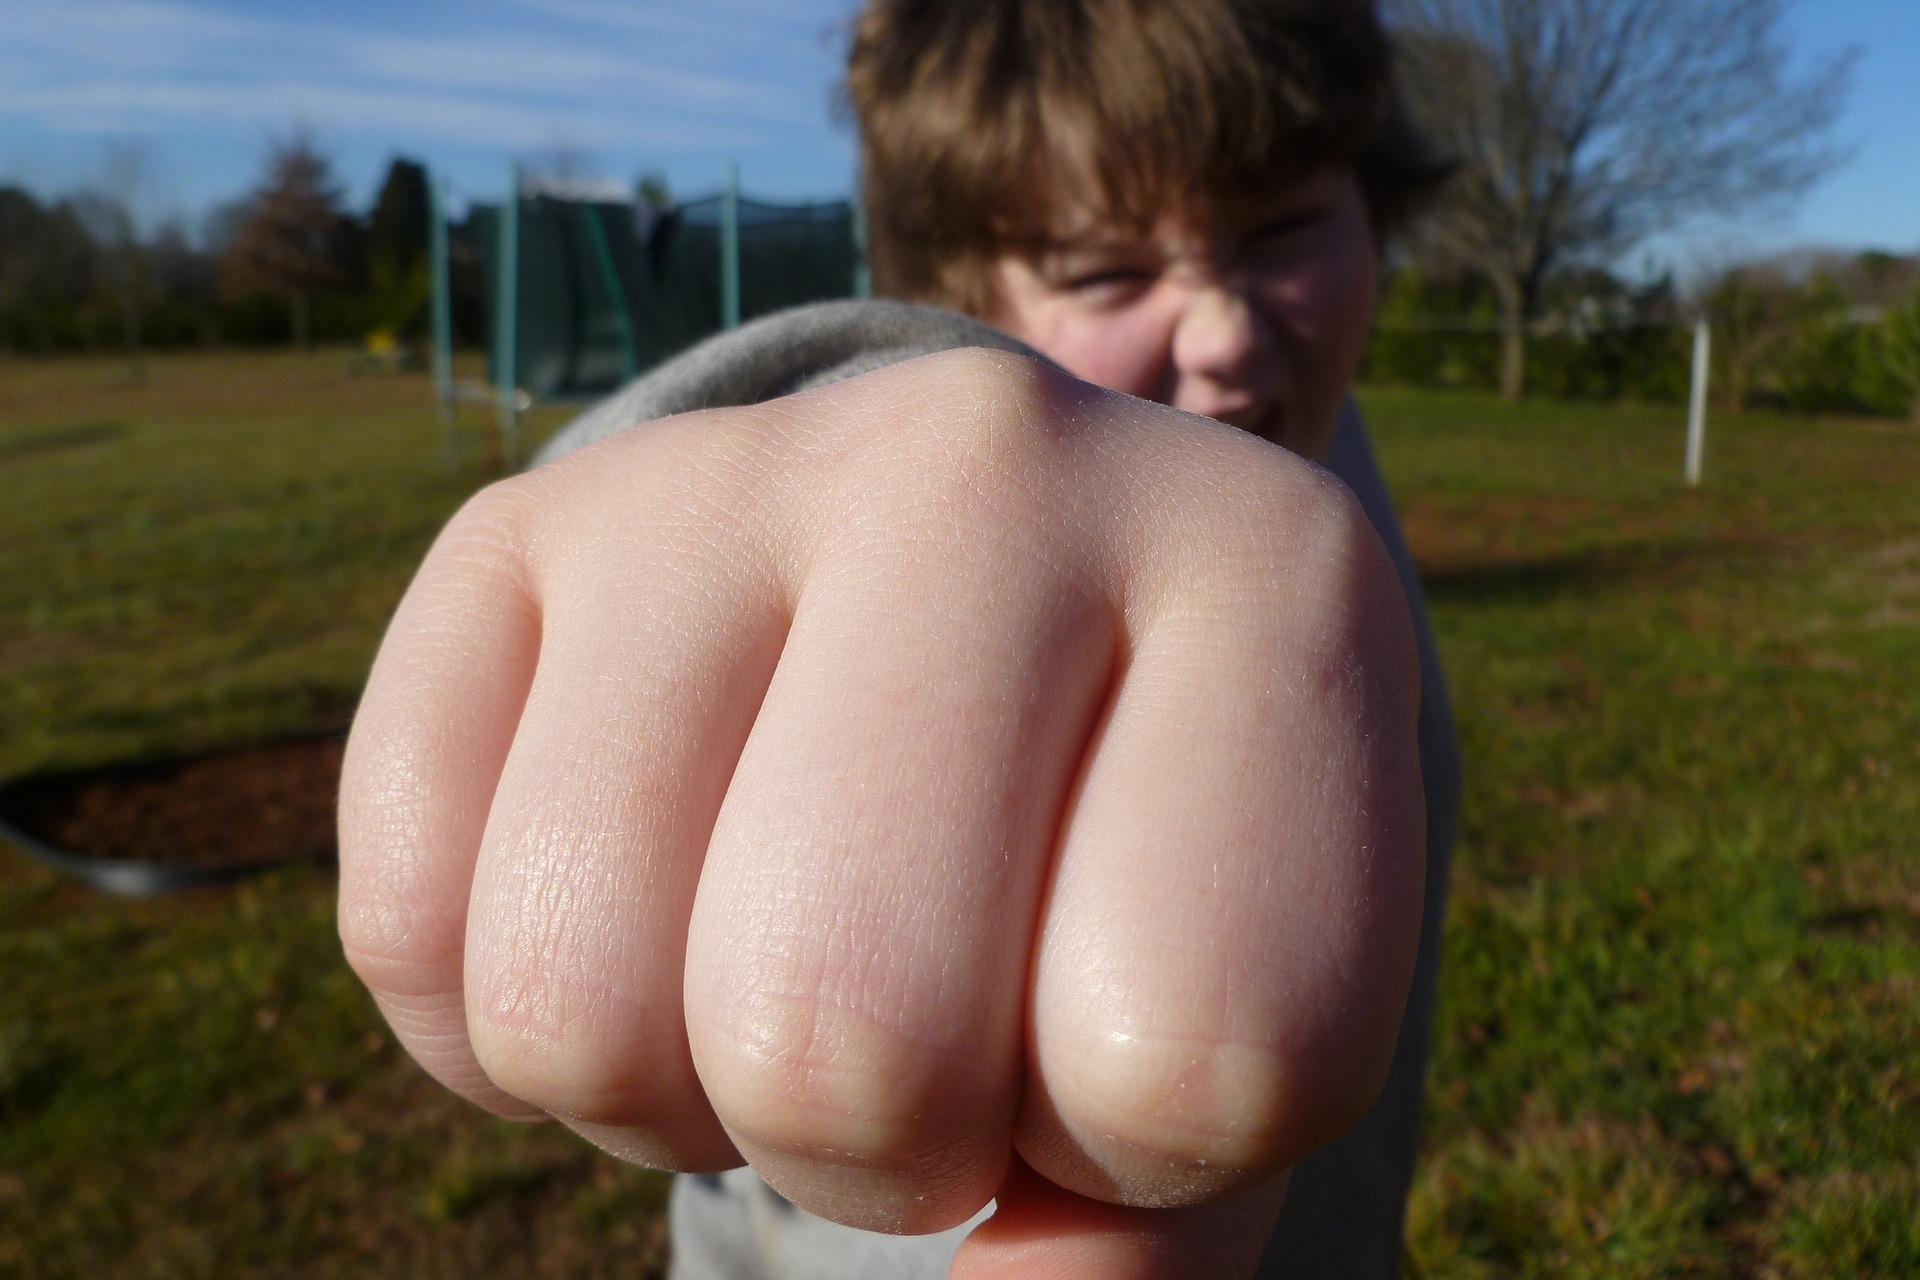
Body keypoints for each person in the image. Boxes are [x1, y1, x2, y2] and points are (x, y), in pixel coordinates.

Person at [337, 1, 1458, 1277]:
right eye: (1104, 272)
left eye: (1283, 230)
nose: (1225, 333)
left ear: (1374, 210)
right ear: (965, 290)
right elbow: (898, 421)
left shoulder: (1311, 441)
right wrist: (853, 418)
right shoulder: (1060, 390)